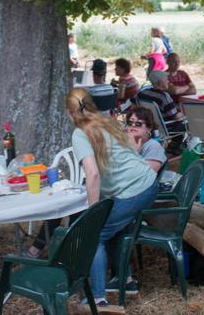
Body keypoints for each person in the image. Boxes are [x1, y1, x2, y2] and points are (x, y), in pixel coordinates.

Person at [68, 87, 158, 311]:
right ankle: (125, 281)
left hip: (133, 190)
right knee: (114, 229)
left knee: (95, 234)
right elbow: (128, 151)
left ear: (70, 113)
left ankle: (97, 300)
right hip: (148, 182)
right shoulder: (107, 122)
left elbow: (93, 174)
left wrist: (92, 212)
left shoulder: (80, 133)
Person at [126, 106, 166, 172]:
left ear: (149, 128)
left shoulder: (154, 147)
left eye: (138, 124)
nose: (133, 126)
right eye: (130, 123)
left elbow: (146, 175)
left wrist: (133, 152)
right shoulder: (124, 142)